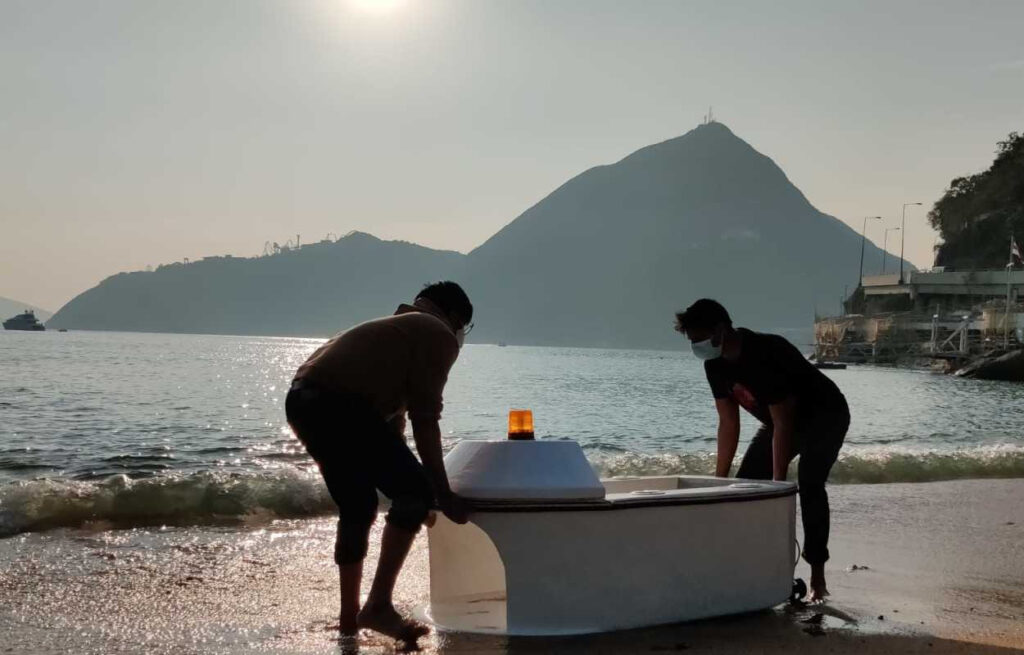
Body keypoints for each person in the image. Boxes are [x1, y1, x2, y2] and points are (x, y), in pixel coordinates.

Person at [285, 281, 473, 642]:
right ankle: (378, 607)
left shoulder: (393, 330)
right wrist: (438, 493)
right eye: (463, 326)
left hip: (303, 401)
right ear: (454, 317)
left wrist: (415, 497)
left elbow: (392, 432)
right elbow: (425, 418)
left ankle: (349, 620)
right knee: (414, 492)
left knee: (358, 505)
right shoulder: (437, 332)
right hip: (340, 404)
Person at [674, 298, 848, 602]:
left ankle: (817, 577)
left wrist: (778, 484)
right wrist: (718, 481)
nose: (696, 346)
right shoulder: (714, 364)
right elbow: (728, 423)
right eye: (691, 340)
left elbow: (784, 423)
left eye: (699, 338)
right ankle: (750, 566)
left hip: (825, 416)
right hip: (779, 424)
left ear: (720, 330)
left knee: (809, 483)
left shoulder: (764, 352)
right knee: (744, 486)